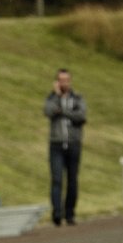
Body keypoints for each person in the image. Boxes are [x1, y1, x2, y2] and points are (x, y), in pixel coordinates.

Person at [44, 68, 87, 226]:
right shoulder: (51, 98)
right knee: (56, 179)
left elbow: (81, 116)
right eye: (61, 80)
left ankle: (70, 213)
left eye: (66, 80)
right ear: (57, 82)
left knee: (72, 179)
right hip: (56, 144)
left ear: (70, 81)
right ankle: (57, 213)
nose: (64, 83)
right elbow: (48, 111)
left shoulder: (77, 98)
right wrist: (57, 96)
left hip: (73, 143)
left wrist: (62, 111)